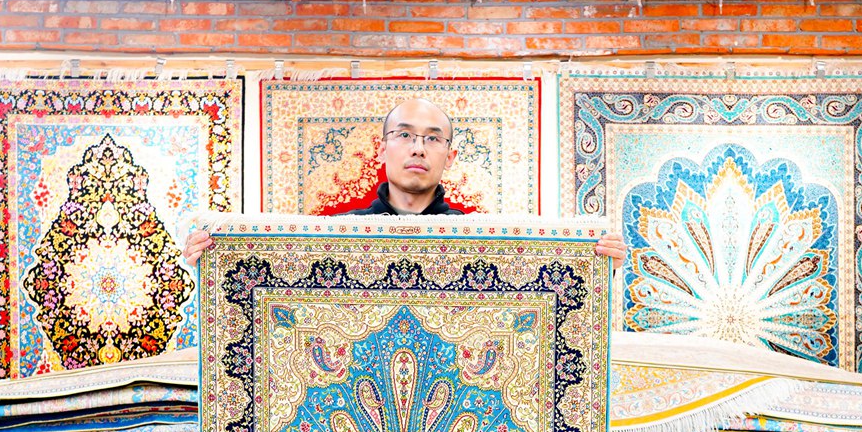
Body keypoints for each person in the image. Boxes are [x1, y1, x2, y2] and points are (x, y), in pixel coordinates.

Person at [182, 97, 626, 265]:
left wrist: (594, 261)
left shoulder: (476, 236)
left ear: (449, 156)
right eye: (405, 136)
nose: (418, 148)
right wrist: (211, 257)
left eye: (432, 139)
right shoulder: (339, 232)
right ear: (382, 150)